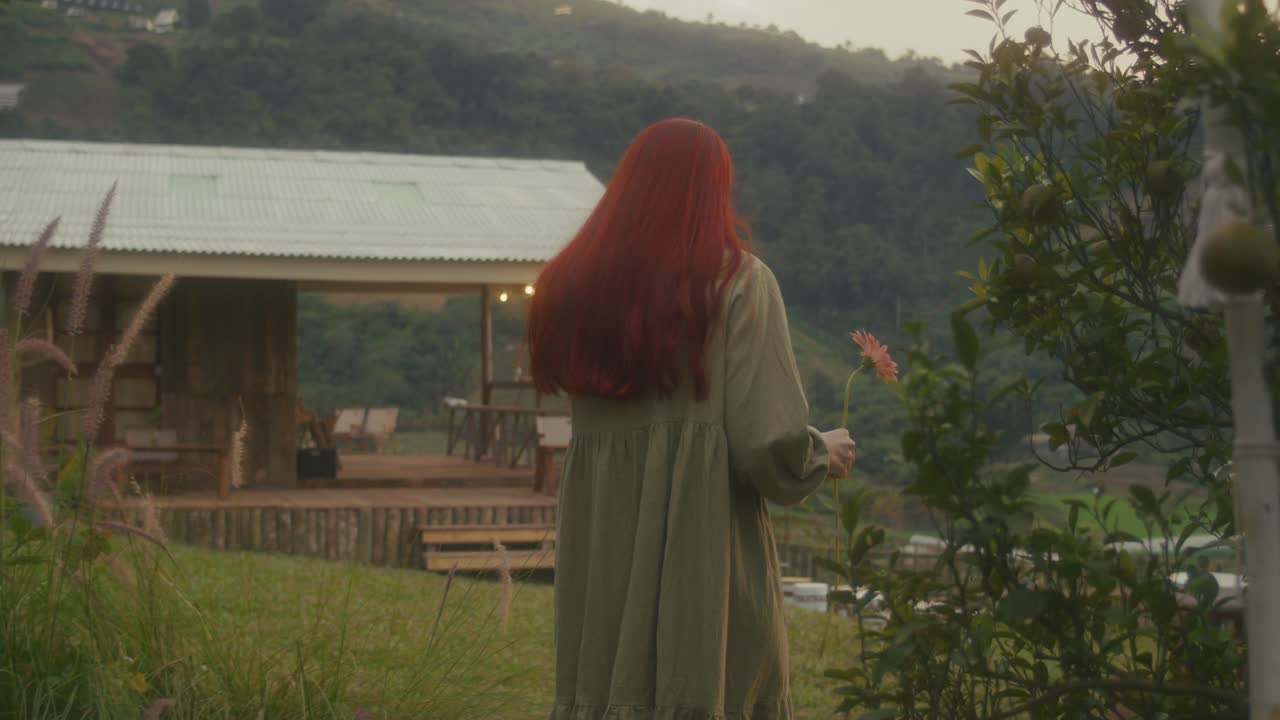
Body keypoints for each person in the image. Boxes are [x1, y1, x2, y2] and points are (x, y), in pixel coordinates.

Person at [527, 117, 858, 720]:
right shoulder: (739, 284)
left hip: (602, 538)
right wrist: (821, 451)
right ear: (715, 191)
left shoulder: (568, 287)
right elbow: (767, 443)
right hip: (703, 542)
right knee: (702, 679)